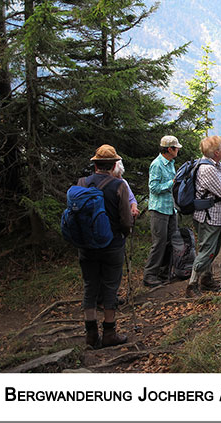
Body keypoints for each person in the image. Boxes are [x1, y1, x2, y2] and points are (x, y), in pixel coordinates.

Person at [78, 144, 133, 348]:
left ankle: (91, 335)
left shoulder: (82, 183)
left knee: (90, 286)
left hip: (86, 245)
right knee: (110, 287)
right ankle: (109, 332)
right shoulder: (119, 186)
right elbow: (126, 220)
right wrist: (125, 234)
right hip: (112, 244)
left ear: (95, 165)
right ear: (112, 166)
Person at [186, 136, 221, 296]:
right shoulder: (207, 169)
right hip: (209, 216)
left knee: (212, 248)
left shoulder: (215, 165)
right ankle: (192, 284)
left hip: (214, 214)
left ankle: (206, 279)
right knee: (208, 249)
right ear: (216, 152)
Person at [143, 136, 182, 287]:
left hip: (170, 208)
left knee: (170, 241)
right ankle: (150, 275)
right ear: (169, 149)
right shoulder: (157, 164)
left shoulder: (171, 163)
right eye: (176, 148)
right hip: (159, 208)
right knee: (159, 243)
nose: (178, 150)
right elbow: (153, 188)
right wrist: (171, 183)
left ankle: (164, 272)